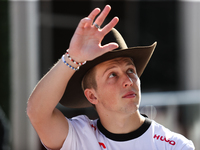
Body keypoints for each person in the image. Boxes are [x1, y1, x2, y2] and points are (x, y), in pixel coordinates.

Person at [27, 5, 195, 150]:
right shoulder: (78, 138)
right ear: (92, 95)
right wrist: (72, 58)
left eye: (130, 70)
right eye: (112, 74)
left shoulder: (174, 145)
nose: (128, 81)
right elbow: (37, 112)